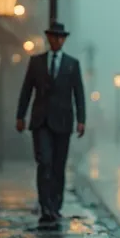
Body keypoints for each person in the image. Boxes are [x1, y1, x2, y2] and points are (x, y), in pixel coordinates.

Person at [15, 22, 86, 225]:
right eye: (54, 37)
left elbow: (78, 93)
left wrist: (81, 120)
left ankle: (55, 206)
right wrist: (20, 116)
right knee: (44, 162)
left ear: (64, 40)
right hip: (41, 121)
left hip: (63, 122)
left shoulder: (72, 64)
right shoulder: (36, 62)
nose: (57, 40)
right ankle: (45, 206)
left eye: (61, 37)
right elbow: (26, 90)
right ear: (49, 38)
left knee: (58, 166)